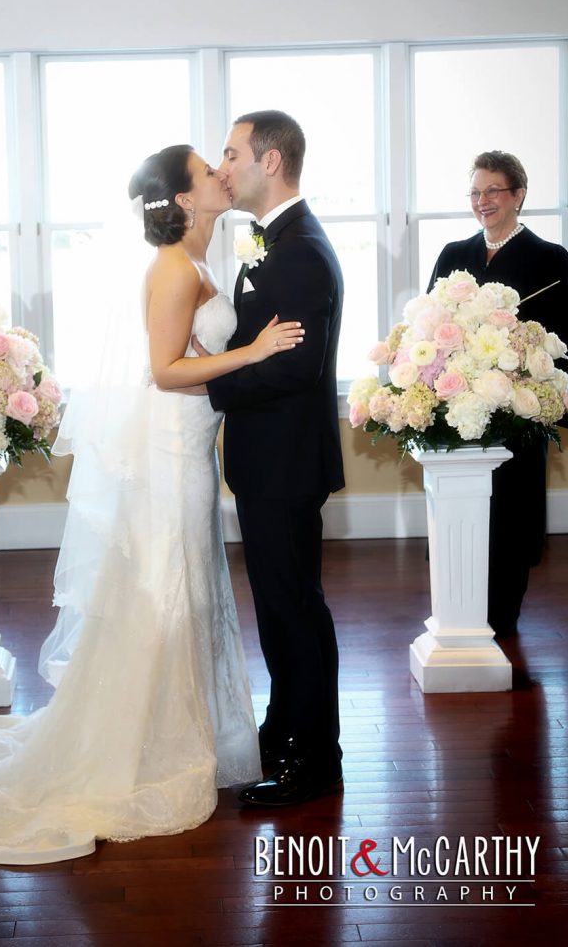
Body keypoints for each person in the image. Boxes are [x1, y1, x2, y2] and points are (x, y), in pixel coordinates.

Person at [0, 144, 304, 864]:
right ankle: (145, 750)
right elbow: (166, 370)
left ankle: (178, 735)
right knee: (168, 594)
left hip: (195, 449)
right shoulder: (174, 268)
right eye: (209, 172)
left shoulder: (206, 260)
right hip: (173, 452)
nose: (221, 176)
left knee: (190, 593)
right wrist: (255, 352)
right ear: (182, 200)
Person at [203, 110, 345, 808]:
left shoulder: (299, 253)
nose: (223, 166)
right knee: (292, 611)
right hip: (274, 462)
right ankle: (290, 731)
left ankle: (312, 762)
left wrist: (215, 381)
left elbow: (298, 366)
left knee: (291, 613)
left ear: (272, 162)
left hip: (284, 465)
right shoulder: (276, 243)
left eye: (231, 154)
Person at [428, 150, 568, 638]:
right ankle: (462, 609)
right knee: (465, 518)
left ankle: (503, 618)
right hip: (462, 413)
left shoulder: (549, 259)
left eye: (492, 190)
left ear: (518, 195)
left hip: (518, 415)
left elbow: (566, 340)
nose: (482, 201)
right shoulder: (454, 255)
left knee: (511, 518)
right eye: (475, 192)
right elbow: (430, 332)